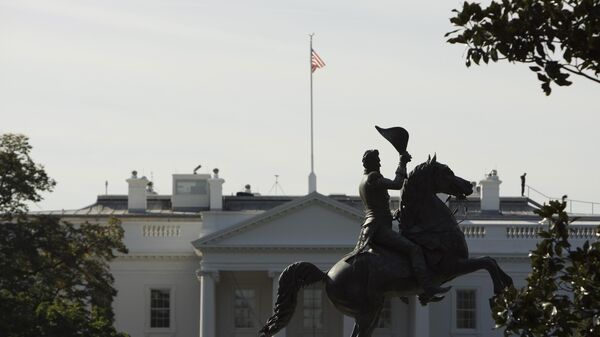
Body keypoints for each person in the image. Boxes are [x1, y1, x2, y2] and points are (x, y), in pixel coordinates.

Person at [354, 149, 450, 304]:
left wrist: (394, 213)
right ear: (372, 163)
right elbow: (397, 184)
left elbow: (377, 206)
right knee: (414, 249)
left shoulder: (362, 181)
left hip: (374, 227)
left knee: (399, 254)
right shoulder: (372, 177)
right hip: (379, 229)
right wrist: (402, 162)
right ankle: (427, 288)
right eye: (377, 161)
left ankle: (403, 286)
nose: (379, 164)